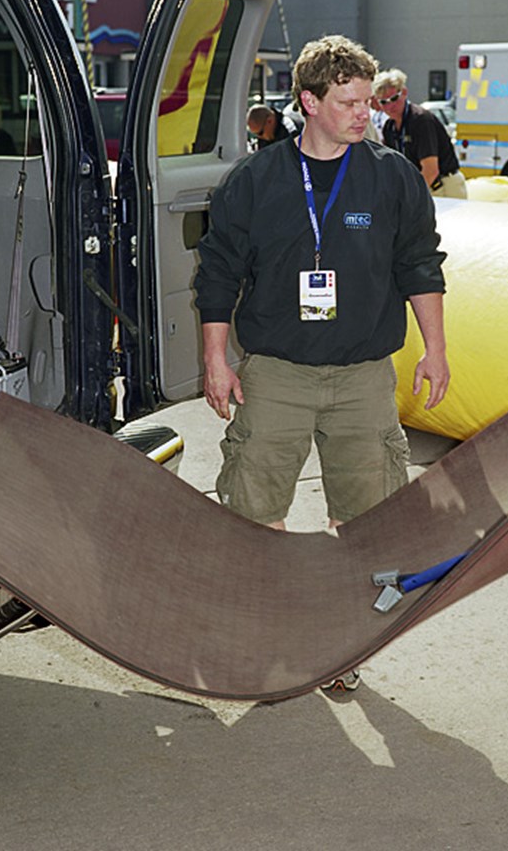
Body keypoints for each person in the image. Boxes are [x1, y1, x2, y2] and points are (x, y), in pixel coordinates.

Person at [193, 37, 450, 696]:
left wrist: (437, 351)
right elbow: (218, 274)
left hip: (364, 375)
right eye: (349, 102)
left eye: (369, 101)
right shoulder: (255, 181)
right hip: (276, 370)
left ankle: (341, 646)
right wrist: (215, 360)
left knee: (366, 519)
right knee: (254, 508)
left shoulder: (391, 177)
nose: (366, 113)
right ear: (309, 102)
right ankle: (272, 634)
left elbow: (420, 265)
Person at [372, 69, 467, 198]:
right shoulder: (389, 128)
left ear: (404, 92)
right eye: (383, 102)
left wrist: (410, 198)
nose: (390, 106)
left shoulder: (421, 120)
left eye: (394, 99)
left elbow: (431, 170)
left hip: (443, 186)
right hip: (421, 186)